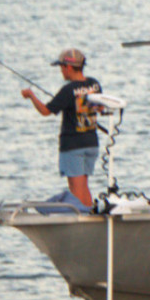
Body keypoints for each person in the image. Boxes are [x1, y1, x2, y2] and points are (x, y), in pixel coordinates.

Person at [21, 48, 104, 210]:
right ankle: (91, 215)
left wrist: (31, 96)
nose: (61, 70)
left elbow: (46, 111)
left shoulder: (68, 90)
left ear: (68, 67)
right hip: (91, 143)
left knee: (76, 188)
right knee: (84, 186)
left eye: (61, 67)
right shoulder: (94, 84)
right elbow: (99, 107)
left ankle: (84, 218)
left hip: (73, 145)